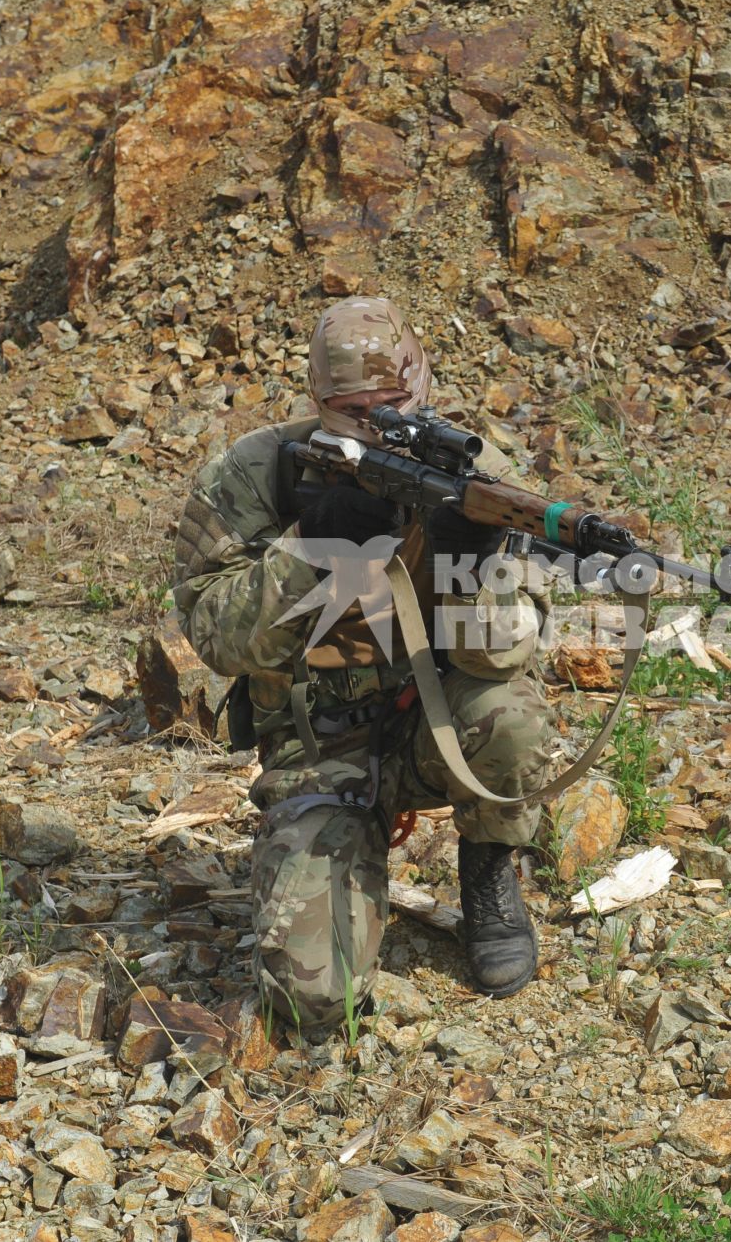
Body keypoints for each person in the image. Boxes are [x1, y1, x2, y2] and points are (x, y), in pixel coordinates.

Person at [171, 296, 556, 1035]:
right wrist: (307, 546)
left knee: (512, 719)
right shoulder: (257, 473)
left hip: (436, 729)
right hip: (318, 750)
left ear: (425, 387)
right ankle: (331, 851)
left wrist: (468, 564)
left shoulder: (478, 476)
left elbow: (507, 654)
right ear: (318, 401)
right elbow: (215, 636)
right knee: (316, 1000)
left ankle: (489, 873)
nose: (378, 424)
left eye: (395, 405)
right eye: (354, 410)